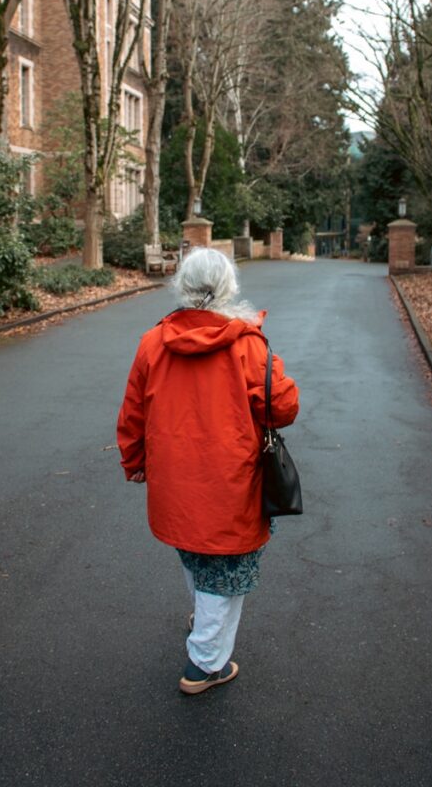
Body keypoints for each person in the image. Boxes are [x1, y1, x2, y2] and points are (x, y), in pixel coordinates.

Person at [117, 247, 299, 695]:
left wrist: (135, 461)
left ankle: (204, 620)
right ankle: (206, 663)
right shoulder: (246, 344)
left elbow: (133, 414)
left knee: (196, 552)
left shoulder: (152, 343)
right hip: (231, 483)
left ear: (182, 284)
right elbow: (284, 407)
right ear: (227, 287)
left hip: (175, 482)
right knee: (227, 568)